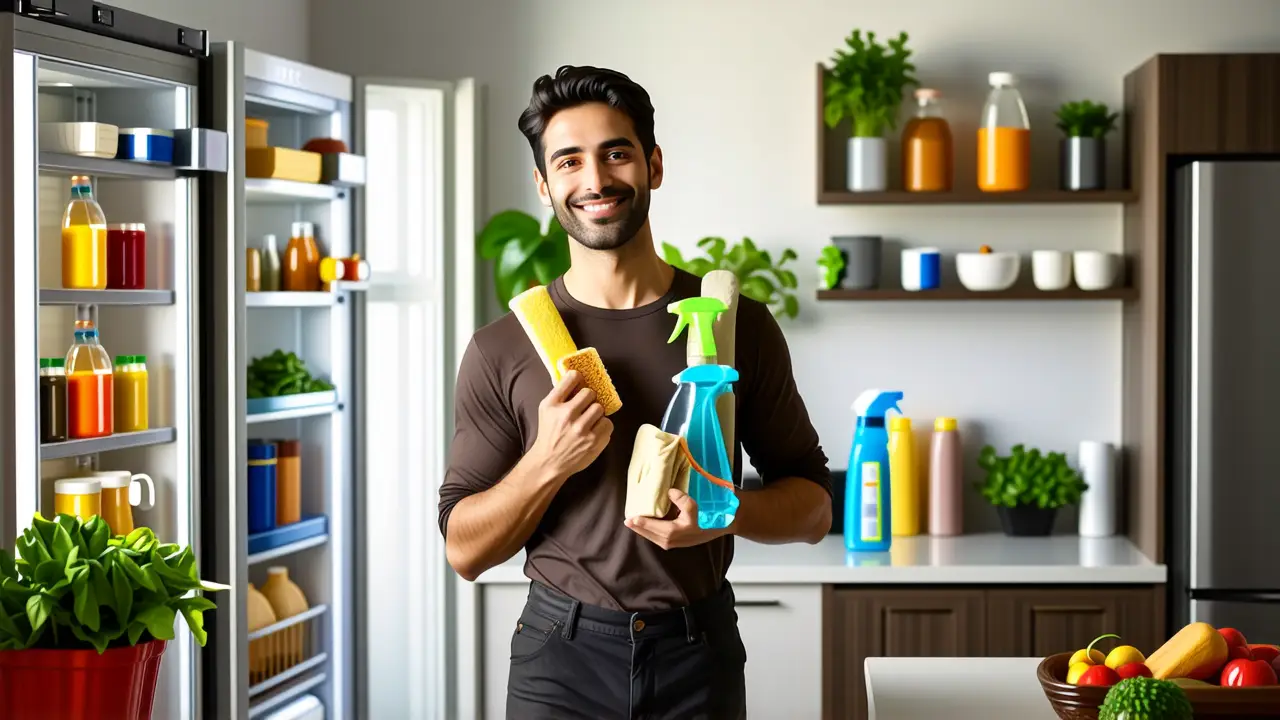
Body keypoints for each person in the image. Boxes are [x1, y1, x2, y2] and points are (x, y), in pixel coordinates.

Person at [438, 64, 832, 720]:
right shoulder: (503, 348)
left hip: (697, 652)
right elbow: (463, 551)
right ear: (544, 184)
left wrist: (725, 513)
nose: (594, 180)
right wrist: (547, 460)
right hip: (558, 658)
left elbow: (815, 508)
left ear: (653, 165)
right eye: (569, 162)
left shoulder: (735, 327)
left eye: (615, 154)